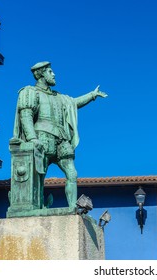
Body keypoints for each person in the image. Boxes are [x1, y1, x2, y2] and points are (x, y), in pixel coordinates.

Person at [12, 61, 107, 209]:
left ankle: (72, 208)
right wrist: (32, 138)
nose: (54, 74)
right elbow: (26, 115)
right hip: (41, 138)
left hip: (61, 139)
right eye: (50, 72)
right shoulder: (30, 92)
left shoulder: (59, 97)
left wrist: (92, 95)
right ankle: (38, 206)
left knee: (72, 173)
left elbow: (74, 103)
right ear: (41, 74)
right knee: (38, 177)